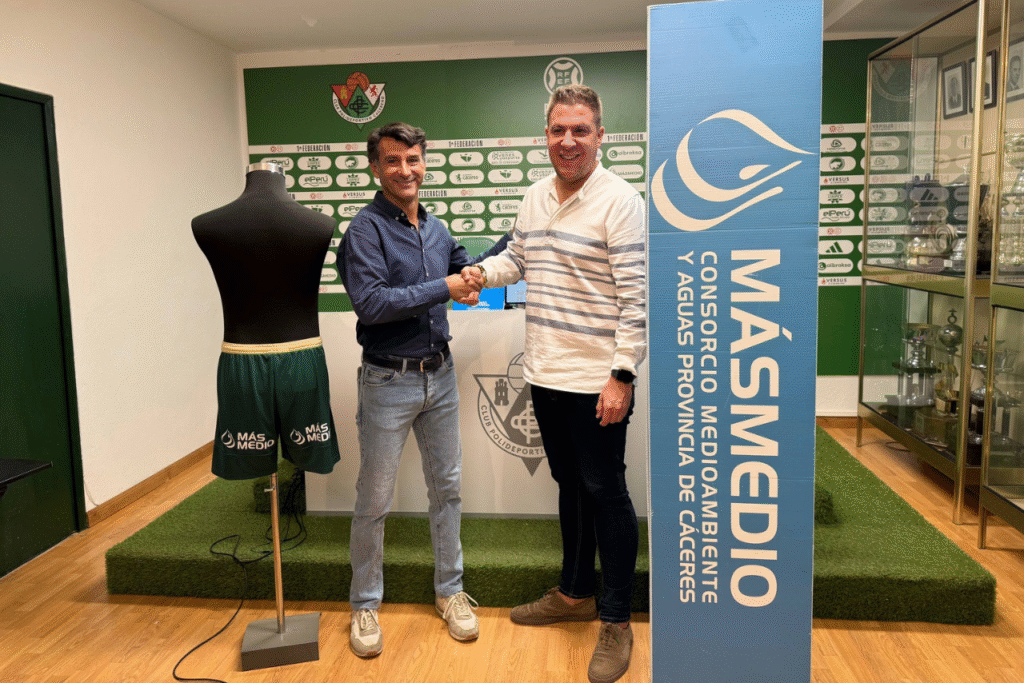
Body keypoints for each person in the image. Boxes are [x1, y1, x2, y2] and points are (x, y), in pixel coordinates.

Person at [463, 84, 646, 683]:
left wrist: (622, 376)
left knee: (605, 489)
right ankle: (574, 592)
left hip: (597, 380)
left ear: (601, 136)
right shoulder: (534, 196)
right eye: (557, 130)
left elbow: (637, 300)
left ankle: (616, 620)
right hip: (545, 371)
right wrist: (479, 272)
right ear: (546, 135)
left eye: (581, 130)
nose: (568, 141)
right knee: (571, 484)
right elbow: (518, 258)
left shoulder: (621, 202)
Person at [338, 121, 483, 658]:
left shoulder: (437, 228)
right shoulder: (364, 231)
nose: (405, 170)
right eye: (393, 161)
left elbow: (460, 268)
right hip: (387, 380)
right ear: (376, 168)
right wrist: (445, 287)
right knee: (373, 499)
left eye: (413, 159)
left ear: (425, 163)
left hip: (438, 377)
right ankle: (364, 604)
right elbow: (373, 304)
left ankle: (450, 593)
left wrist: (470, 281)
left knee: (446, 491)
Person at [192, 162, 341, 482]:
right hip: (288, 360)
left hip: (258, 360)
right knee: (250, 460)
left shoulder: (320, 224)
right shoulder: (207, 225)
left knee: (306, 455)